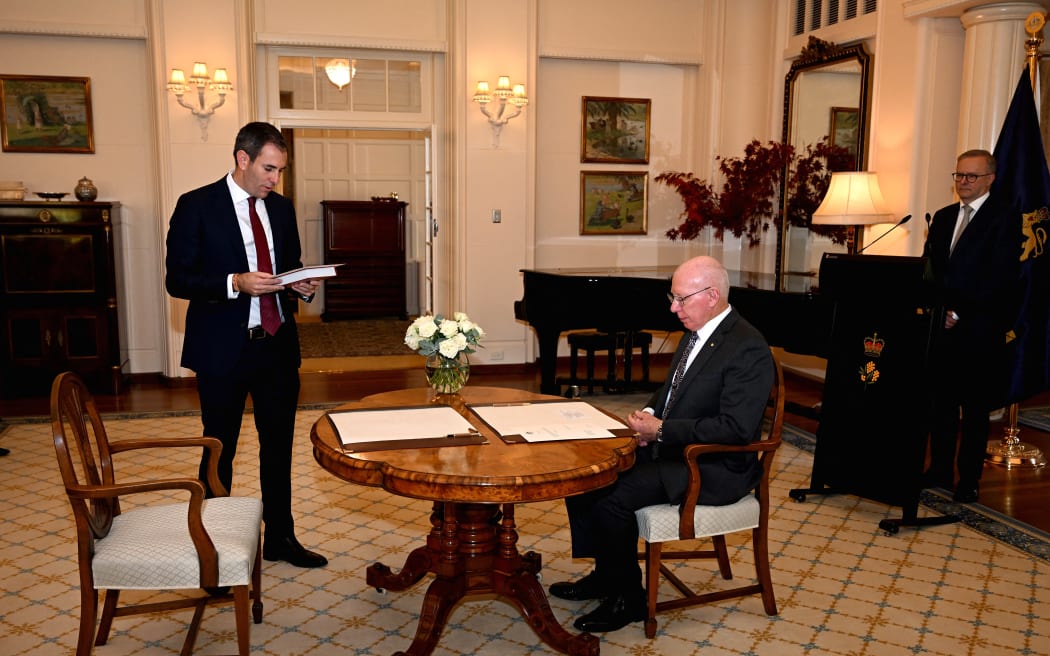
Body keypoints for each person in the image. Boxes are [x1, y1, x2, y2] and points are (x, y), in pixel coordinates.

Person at [548, 255, 774, 632]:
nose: (673, 307)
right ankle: (607, 575)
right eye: (672, 296)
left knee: (612, 496)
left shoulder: (747, 347)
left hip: (715, 466)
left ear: (713, 295)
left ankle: (629, 599)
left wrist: (663, 430)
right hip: (675, 451)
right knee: (586, 474)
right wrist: (646, 413)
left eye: (682, 299)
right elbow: (669, 392)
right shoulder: (696, 332)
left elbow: (735, 429)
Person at [165, 121, 327, 568]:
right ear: (243, 159)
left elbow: (287, 265)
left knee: (278, 449)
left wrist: (300, 285)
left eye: (280, 171)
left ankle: (280, 538)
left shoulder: (281, 208)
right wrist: (235, 282)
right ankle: (215, 546)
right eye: (269, 169)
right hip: (222, 350)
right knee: (221, 449)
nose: (275, 180)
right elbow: (177, 280)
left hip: (276, 346)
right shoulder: (196, 206)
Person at [922, 149, 1019, 504]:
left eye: (970, 176)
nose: (962, 182)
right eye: (959, 175)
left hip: (979, 331)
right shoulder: (945, 217)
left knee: (975, 411)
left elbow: (1000, 279)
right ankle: (940, 470)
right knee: (941, 406)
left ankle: (969, 480)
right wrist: (938, 310)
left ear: (990, 179)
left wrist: (958, 313)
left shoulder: (1005, 219)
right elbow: (931, 271)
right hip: (941, 329)